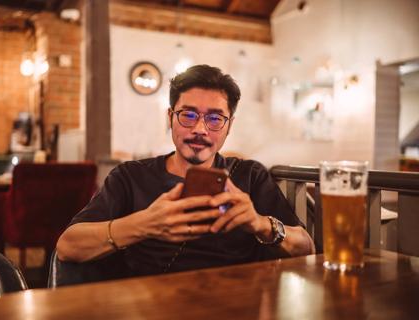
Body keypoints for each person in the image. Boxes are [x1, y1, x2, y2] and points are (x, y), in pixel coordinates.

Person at [57, 64, 315, 276]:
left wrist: (260, 224)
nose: (200, 129)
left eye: (215, 119)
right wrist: (145, 224)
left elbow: (306, 247)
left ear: (229, 126)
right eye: (188, 115)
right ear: (170, 117)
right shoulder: (131, 177)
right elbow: (68, 246)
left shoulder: (249, 176)